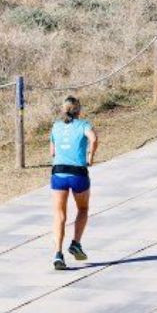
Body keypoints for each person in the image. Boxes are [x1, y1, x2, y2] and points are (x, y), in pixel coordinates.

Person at [50, 96, 97, 270]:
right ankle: (76, 243)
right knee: (83, 209)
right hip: (78, 172)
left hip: (59, 172)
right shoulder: (84, 125)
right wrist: (90, 157)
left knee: (59, 215)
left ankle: (57, 254)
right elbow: (93, 139)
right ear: (79, 110)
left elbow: (53, 152)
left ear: (63, 110)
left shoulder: (56, 126)